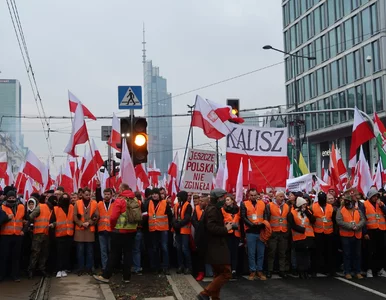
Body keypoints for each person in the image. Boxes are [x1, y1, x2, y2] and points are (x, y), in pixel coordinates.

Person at [93, 184, 138, 283]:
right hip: (132, 231)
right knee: (128, 254)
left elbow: (113, 217)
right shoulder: (135, 200)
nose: (118, 190)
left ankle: (106, 276)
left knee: (114, 254)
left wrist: (112, 227)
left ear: (122, 189)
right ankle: (127, 277)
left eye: (119, 189)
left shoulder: (120, 200)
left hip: (119, 231)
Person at [197, 188, 232, 300]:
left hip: (215, 246)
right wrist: (225, 229)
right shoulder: (212, 209)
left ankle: (215, 298)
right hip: (216, 246)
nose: (223, 200)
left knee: (218, 274)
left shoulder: (215, 208)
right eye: (222, 197)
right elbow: (211, 227)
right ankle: (205, 293)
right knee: (226, 274)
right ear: (216, 198)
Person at [143, 188, 173, 275]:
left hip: (163, 229)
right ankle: (156, 267)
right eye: (153, 194)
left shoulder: (164, 203)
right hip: (153, 229)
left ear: (159, 195)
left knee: (164, 248)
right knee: (155, 248)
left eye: (156, 194)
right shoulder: (148, 203)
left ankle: (165, 267)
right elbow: (145, 215)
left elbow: (170, 215)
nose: (154, 195)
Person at [336, 194, 365, 280]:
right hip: (346, 235)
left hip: (357, 234)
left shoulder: (357, 210)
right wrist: (350, 226)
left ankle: (357, 271)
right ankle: (347, 271)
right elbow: (339, 221)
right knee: (347, 254)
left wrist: (358, 226)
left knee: (357, 254)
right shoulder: (341, 210)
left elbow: (363, 219)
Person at [240, 188, 267, 280]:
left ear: (257, 195)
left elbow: (265, 216)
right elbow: (243, 217)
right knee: (251, 253)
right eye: (251, 195)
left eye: (255, 195)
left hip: (261, 231)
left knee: (261, 253)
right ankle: (252, 271)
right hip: (250, 231)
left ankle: (259, 271)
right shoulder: (244, 204)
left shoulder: (262, 203)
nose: (253, 196)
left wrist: (262, 224)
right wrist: (252, 225)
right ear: (248, 195)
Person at [0, 190, 25, 282]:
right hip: (5, 236)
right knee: (4, 256)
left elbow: (26, 220)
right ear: (7, 198)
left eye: (13, 198)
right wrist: (7, 218)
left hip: (17, 236)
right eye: (9, 198)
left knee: (16, 257)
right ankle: (2, 275)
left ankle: (15, 275)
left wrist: (23, 230)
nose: (11, 200)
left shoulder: (21, 207)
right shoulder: (2, 207)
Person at [288, 197, 316, 279]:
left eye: (306, 205)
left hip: (308, 236)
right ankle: (301, 271)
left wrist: (307, 212)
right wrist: (302, 229)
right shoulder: (292, 213)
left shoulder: (307, 212)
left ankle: (306, 271)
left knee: (307, 255)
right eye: (303, 205)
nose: (305, 206)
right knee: (300, 255)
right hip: (298, 237)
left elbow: (313, 220)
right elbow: (292, 225)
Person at [73, 187, 99, 275]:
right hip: (80, 230)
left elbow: (96, 216)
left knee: (89, 251)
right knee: (80, 251)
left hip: (90, 230)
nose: (88, 196)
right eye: (86, 194)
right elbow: (75, 217)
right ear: (82, 194)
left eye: (89, 195)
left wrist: (89, 222)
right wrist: (81, 223)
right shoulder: (77, 203)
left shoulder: (94, 203)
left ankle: (89, 268)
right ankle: (80, 268)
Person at [311, 191, 336, 276]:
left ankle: (329, 270)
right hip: (318, 232)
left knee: (329, 252)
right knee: (317, 252)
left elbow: (333, 220)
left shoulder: (330, 207)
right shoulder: (313, 206)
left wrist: (334, 232)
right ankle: (315, 270)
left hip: (329, 232)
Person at [265, 191, 290, 278]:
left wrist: (287, 232)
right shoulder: (269, 205)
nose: (282, 198)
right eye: (280, 196)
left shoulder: (287, 206)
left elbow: (288, 220)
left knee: (282, 253)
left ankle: (282, 270)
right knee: (271, 253)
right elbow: (267, 219)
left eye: (283, 197)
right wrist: (269, 232)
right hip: (273, 233)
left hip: (283, 233)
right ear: (276, 197)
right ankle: (270, 270)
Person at [363, 187, 386, 278]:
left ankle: (380, 269)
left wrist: (382, 206)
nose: (376, 198)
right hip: (371, 230)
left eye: (377, 196)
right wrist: (365, 232)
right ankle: (369, 269)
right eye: (374, 196)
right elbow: (363, 219)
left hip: (381, 230)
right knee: (370, 251)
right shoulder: (365, 204)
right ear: (370, 197)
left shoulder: (380, 204)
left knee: (381, 251)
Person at [28, 194, 53, 278]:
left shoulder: (49, 208)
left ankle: (40, 269)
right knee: (36, 252)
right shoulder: (41, 206)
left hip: (45, 233)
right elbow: (31, 216)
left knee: (43, 253)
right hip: (39, 234)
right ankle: (32, 270)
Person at [52, 193, 74, 278]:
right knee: (59, 253)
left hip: (69, 234)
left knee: (66, 252)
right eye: (63, 198)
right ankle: (59, 269)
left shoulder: (71, 207)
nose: (65, 200)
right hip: (59, 234)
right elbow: (53, 220)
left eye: (66, 198)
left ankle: (64, 268)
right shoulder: (56, 209)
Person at [173, 191, 193, 275]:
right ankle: (181, 266)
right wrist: (174, 223)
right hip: (178, 230)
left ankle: (188, 267)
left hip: (184, 230)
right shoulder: (177, 206)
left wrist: (178, 224)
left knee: (185, 249)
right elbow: (174, 216)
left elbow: (187, 218)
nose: (178, 198)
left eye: (179, 197)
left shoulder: (188, 206)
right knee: (179, 249)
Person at [221, 194, 240, 279]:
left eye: (228, 200)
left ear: (232, 200)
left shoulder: (238, 210)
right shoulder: (222, 210)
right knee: (227, 253)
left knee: (234, 253)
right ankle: (227, 270)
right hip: (227, 233)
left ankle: (234, 270)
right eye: (226, 200)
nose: (226, 201)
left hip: (236, 234)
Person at [97, 188, 114, 273]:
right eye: (105, 194)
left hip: (111, 231)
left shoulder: (114, 204)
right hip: (102, 230)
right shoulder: (100, 204)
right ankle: (104, 267)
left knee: (111, 250)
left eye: (108, 194)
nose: (106, 196)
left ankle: (110, 267)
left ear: (111, 195)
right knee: (103, 251)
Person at [193, 196, 208, 281]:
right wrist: (198, 226)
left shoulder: (209, 210)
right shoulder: (196, 208)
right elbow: (193, 219)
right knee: (200, 256)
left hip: (208, 236)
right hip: (200, 236)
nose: (199, 202)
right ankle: (201, 272)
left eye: (202, 201)